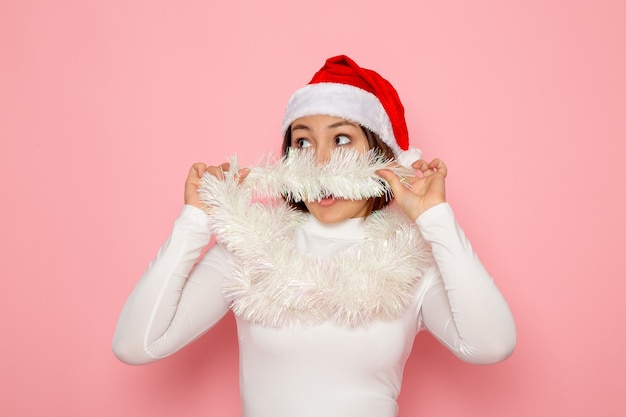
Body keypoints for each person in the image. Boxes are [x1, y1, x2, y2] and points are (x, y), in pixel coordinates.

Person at [112, 55, 516, 417]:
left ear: (381, 155)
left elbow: (491, 344)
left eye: (341, 139)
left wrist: (435, 219)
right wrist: (195, 222)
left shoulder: (410, 259)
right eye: (303, 142)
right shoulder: (249, 247)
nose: (320, 163)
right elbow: (137, 344)